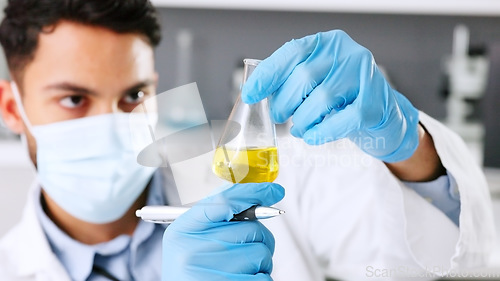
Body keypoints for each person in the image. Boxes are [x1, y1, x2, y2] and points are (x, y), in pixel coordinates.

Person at [0, 0, 494, 280]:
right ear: (11, 108)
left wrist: (407, 142)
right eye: (73, 100)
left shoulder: (254, 176)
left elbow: (440, 255)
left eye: (134, 94)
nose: (112, 121)